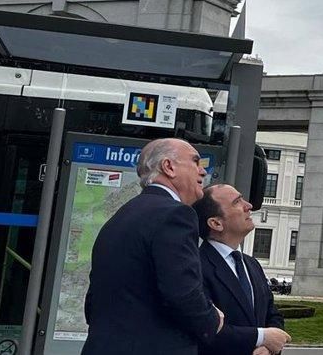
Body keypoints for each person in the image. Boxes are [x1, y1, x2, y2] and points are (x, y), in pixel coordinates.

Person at [82, 138, 224, 355]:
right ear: (169, 167)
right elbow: (182, 293)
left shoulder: (121, 216)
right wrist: (212, 319)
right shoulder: (176, 215)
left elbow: (94, 303)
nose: (203, 172)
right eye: (196, 162)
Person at [194, 183, 289, 355]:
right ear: (216, 223)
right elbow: (205, 327)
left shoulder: (252, 264)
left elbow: (272, 314)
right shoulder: (197, 267)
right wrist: (261, 337)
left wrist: (267, 347)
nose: (249, 206)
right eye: (237, 202)